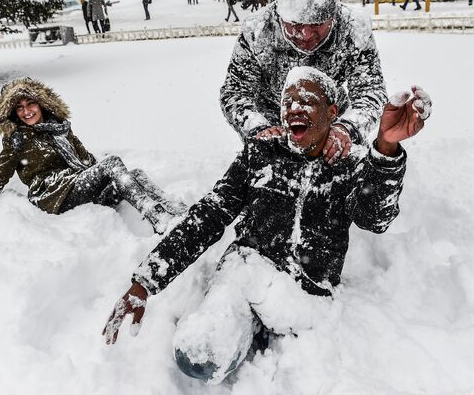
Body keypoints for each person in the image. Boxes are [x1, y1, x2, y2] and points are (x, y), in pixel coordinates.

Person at [103, 67, 432, 384]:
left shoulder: (350, 162)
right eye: (288, 101)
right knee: (198, 356)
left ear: (332, 112)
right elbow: (209, 214)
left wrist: (386, 148)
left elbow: (375, 219)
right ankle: (241, 325)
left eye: (307, 101)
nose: (294, 108)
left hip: (306, 297)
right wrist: (145, 281)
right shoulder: (259, 153)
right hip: (245, 275)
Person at [0, 78, 185, 231]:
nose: (26, 111)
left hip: (76, 184)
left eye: (30, 104)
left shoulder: (59, 128)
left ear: (41, 103)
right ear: (13, 113)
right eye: (19, 108)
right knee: (113, 164)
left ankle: (176, 210)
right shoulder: (16, 139)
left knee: (135, 174)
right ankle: (159, 219)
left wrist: (101, 172)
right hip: (52, 195)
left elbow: (85, 160)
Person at [219, 0, 387, 166]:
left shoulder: (354, 30)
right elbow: (235, 92)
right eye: (296, 24)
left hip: (326, 114)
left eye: (316, 24)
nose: (306, 35)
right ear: (280, 16)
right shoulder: (257, 31)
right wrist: (258, 128)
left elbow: (371, 91)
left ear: (334, 17)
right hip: (272, 115)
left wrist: (347, 128)